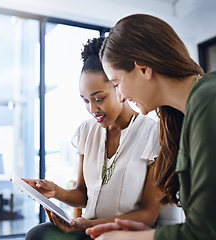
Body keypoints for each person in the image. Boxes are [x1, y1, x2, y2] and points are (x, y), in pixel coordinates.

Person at [85, 14, 216, 240]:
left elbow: (204, 232)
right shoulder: (186, 116)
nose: (121, 97)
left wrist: (135, 238)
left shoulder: (208, 100)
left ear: (144, 69)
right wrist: (150, 234)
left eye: (116, 83)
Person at [25, 37, 162, 240]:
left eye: (99, 99)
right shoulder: (87, 131)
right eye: (85, 101)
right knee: (38, 234)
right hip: (87, 230)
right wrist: (56, 191)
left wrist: (92, 225)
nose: (92, 109)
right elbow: (83, 194)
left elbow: (148, 215)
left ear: (119, 86)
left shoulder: (153, 133)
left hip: (123, 235)